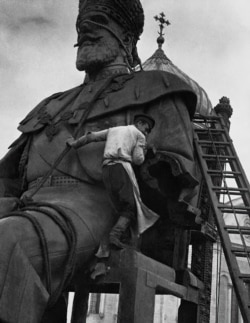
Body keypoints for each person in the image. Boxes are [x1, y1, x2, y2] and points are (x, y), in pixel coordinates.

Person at [0, 0, 200, 322]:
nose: (86, 29)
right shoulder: (52, 105)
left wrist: (146, 164)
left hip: (96, 208)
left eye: (99, 20)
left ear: (128, 38)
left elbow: (177, 175)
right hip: (24, 205)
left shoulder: (158, 91)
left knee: (9, 241)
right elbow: (8, 174)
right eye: (81, 24)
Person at [67, 114, 159, 249]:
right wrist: (144, 151)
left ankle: (115, 237)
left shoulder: (114, 130)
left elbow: (91, 137)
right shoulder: (139, 135)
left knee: (118, 205)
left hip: (106, 169)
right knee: (130, 207)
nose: (147, 132)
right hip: (121, 168)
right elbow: (138, 159)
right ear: (139, 123)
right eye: (147, 128)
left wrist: (74, 143)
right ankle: (115, 236)